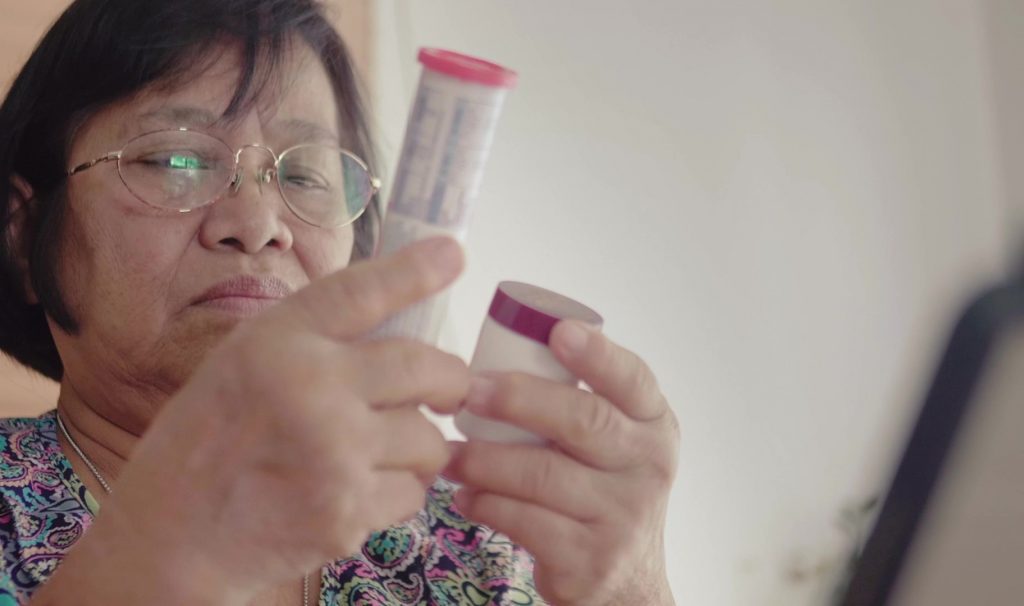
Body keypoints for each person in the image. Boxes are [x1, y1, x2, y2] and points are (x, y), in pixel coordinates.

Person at [0, 0, 680, 604]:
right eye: (174, 160)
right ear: (25, 234)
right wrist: (166, 555)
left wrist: (633, 589)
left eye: (305, 174)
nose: (260, 222)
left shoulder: (479, 549)